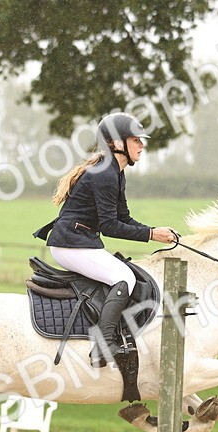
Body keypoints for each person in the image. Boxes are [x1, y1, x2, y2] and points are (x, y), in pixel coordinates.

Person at [34, 112, 178, 367]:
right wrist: (151, 235)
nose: (142, 145)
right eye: (136, 140)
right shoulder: (105, 174)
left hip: (79, 241)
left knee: (125, 275)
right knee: (124, 278)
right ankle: (103, 345)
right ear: (117, 143)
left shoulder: (115, 172)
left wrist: (154, 231)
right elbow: (110, 226)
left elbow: (123, 217)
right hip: (70, 244)